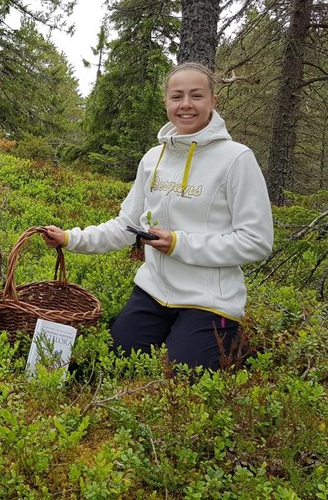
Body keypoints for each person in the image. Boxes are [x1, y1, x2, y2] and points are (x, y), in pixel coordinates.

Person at [40, 63, 273, 371]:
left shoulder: (237, 159)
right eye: (177, 96)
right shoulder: (153, 158)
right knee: (113, 366)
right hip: (152, 293)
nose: (186, 104)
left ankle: (229, 340)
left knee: (182, 379)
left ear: (213, 101)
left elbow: (257, 242)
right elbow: (127, 227)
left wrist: (179, 244)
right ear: (166, 102)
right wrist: (71, 238)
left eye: (196, 95)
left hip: (208, 301)